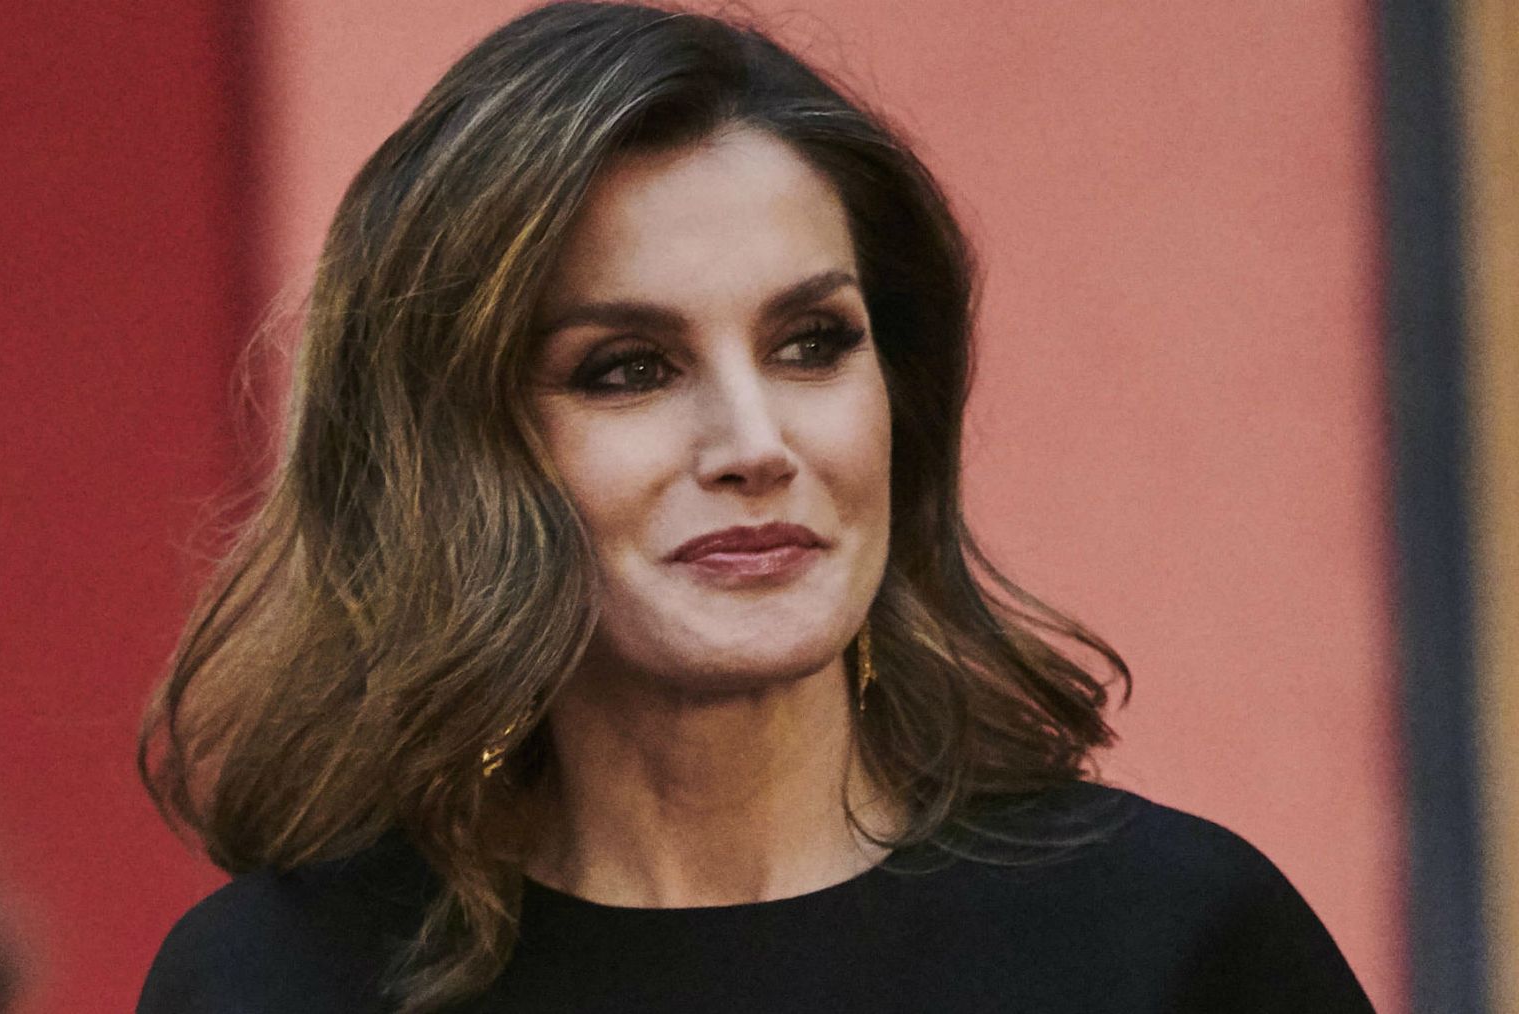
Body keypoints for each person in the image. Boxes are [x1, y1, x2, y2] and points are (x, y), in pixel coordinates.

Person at [136, 2, 1378, 1012]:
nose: (755, 444)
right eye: (628, 369)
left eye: (811, 344)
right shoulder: (279, 981)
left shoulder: (1171, 942)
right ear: (454, 450)